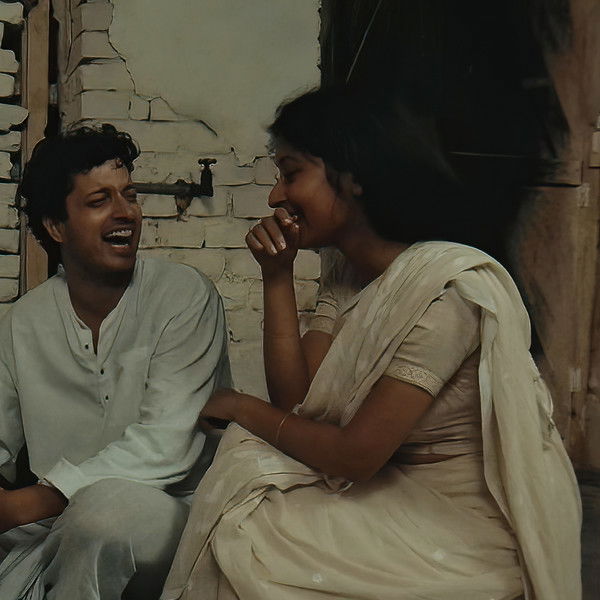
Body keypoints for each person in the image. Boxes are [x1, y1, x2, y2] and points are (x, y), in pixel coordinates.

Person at [161, 88, 581, 600]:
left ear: (354, 176)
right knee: (248, 501)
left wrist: (239, 407)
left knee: (252, 526)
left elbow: (355, 456)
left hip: (454, 521)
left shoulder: (444, 292)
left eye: (291, 174)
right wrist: (277, 277)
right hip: (386, 490)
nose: (274, 197)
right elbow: (298, 402)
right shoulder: (348, 274)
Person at [0, 124, 231, 600]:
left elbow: (167, 443)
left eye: (129, 195)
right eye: (99, 200)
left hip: (170, 517)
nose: (126, 213)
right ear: (56, 226)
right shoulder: (24, 321)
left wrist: (34, 501)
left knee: (104, 516)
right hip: (57, 527)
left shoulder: (183, 295)